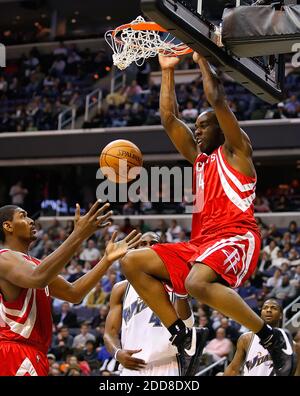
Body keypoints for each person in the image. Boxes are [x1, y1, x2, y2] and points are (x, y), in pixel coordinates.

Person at [120, 52, 296, 376]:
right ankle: (182, 334)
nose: (197, 131)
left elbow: (216, 97)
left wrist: (202, 57)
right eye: (196, 127)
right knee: (132, 261)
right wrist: (167, 71)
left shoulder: (237, 151)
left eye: (203, 126)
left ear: (222, 127)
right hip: (201, 244)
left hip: (236, 237)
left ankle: (270, 339)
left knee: (196, 282)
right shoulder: (200, 161)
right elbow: (169, 120)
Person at [0, 201, 141, 376]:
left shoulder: (36, 266)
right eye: (23, 216)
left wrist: (106, 260)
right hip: (14, 351)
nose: (31, 220)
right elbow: (38, 278)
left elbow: (74, 293)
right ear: (8, 226)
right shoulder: (4, 259)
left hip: (34, 353)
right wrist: (78, 235)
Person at [104, 232, 194, 376]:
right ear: (134, 249)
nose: (148, 247)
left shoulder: (174, 280)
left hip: (167, 362)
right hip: (131, 366)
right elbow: (110, 332)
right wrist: (117, 353)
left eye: (153, 243)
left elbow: (187, 323)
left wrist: (181, 292)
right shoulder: (120, 289)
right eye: (143, 243)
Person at [224, 299, 299, 376]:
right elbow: (233, 369)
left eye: (274, 308)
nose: (269, 310)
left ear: (281, 315)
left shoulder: (291, 344)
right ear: (261, 313)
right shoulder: (246, 338)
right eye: (265, 308)